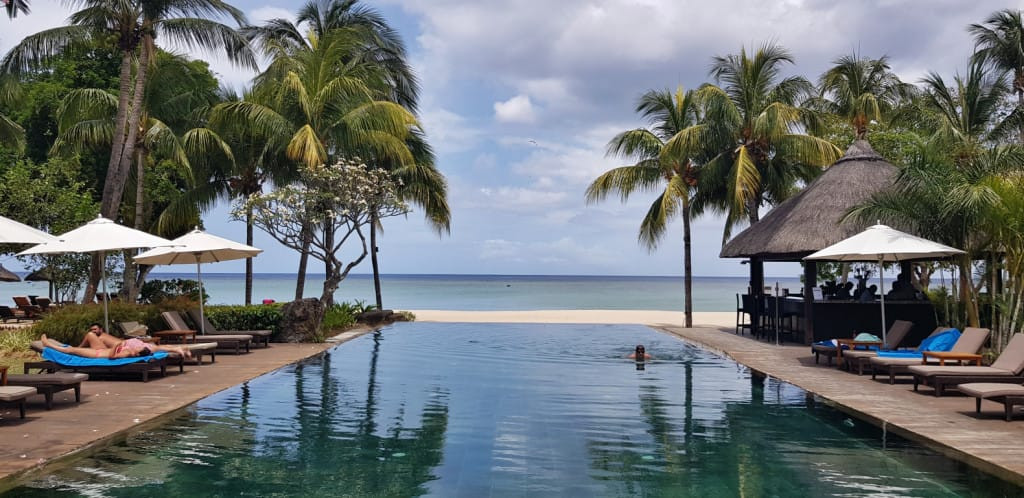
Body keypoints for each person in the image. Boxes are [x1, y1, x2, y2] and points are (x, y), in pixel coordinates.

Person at [43, 332, 190, 359]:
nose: (139, 346)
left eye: (139, 347)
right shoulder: (142, 348)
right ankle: (50, 344)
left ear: (138, 352)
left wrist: (116, 346)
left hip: (99, 354)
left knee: (72, 350)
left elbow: (113, 357)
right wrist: (179, 349)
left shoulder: (128, 353)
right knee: (91, 335)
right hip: (102, 350)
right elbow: (164, 347)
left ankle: (49, 345)